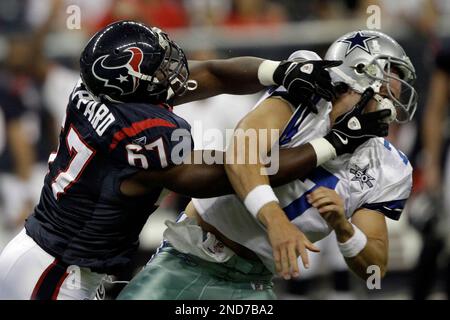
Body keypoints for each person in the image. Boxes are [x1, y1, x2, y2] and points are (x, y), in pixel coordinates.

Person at [0, 20, 342, 300]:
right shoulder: (142, 133)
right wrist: (330, 145)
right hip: (54, 271)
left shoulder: (102, 90)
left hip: (50, 258)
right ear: (132, 81)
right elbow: (232, 171)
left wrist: (278, 72)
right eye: (160, 68)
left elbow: (213, 74)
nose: (172, 71)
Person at [117, 30, 418, 300]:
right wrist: (275, 220)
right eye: (391, 72)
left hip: (253, 284)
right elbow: (242, 152)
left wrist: (344, 229)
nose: (397, 88)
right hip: (191, 257)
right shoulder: (307, 91)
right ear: (359, 70)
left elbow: (374, 268)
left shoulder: (389, 166)